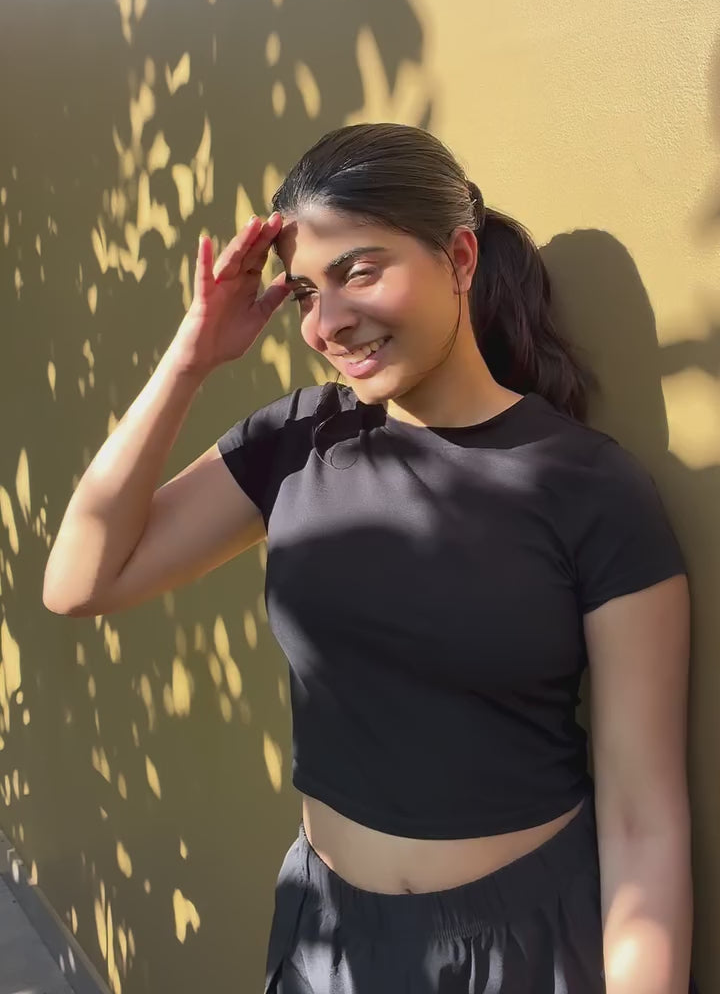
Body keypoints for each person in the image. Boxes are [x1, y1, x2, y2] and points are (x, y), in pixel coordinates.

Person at [44, 123, 695, 993]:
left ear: (459, 258)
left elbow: (644, 818)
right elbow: (79, 583)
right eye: (305, 291)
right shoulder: (298, 440)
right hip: (327, 942)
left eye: (358, 272)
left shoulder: (591, 489)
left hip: (520, 951)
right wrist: (191, 358)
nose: (327, 323)